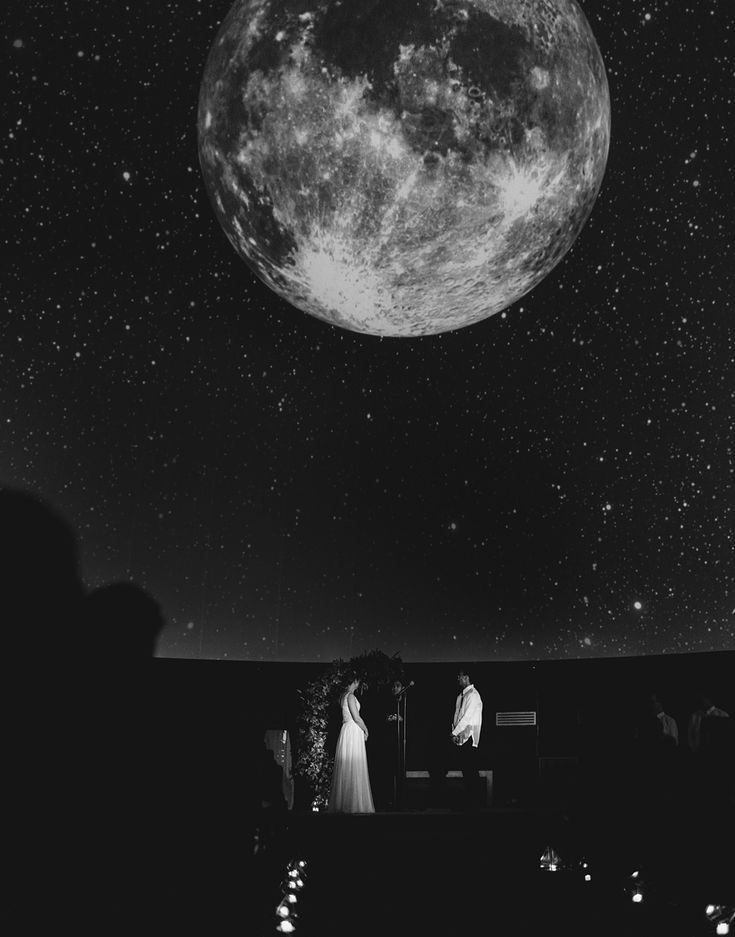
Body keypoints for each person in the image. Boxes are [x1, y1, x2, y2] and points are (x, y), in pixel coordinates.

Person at [327, 675, 375, 814]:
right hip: (353, 730)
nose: (358, 684)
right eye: (358, 681)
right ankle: (354, 804)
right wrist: (366, 729)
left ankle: (346, 802)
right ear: (354, 682)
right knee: (354, 765)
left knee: (348, 765)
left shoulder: (343, 696)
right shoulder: (351, 697)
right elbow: (356, 717)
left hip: (346, 730)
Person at [451, 670, 483, 809]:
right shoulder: (460, 696)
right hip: (460, 737)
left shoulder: (473, 695)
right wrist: (454, 733)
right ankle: (470, 802)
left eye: (459, 676)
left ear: (466, 677)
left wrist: (455, 732)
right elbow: (457, 715)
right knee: (466, 770)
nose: (457, 678)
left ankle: (475, 804)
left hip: (469, 737)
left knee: (471, 770)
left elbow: (468, 717)